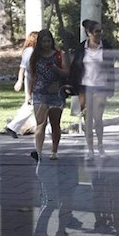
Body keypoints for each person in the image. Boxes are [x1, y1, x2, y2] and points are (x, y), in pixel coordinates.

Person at [68, 19, 116, 161]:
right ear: (89, 33)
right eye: (96, 31)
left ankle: (100, 146)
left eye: (101, 31)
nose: (99, 34)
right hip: (85, 86)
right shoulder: (82, 48)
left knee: (98, 118)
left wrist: (111, 88)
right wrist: (71, 86)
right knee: (87, 119)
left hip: (101, 86)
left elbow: (111, 68)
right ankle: (90, 149)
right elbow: (75, 68)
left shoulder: (105, 47)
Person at [27, 29, 69, 161]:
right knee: (40, 123)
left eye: (48, 41)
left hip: (55, 93)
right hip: (39, 93)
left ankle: (54, 150)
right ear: (39, 42)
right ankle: (38, 152)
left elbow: (67, 72)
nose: (46, 44)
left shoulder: (59, 55)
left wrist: (57, 69)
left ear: (52, 41)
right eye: (43, 41)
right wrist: (28, 93)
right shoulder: (35, 56)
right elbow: (32, 75)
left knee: (55, 123)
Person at [6, 31, 38, 138]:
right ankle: (12, 126)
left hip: (34, 79)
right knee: (30, 104)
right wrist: (20, 81)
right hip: (31, 80)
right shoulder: (29, 51)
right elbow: (22, 68)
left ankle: (13, 127)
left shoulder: (34, 51)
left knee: (33, 105)